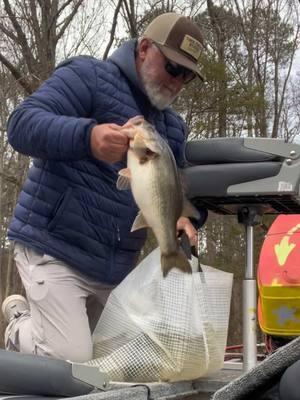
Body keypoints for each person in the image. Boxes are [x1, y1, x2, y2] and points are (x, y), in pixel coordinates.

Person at [2, 12, 206, 362]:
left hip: (115, 270)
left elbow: (181, 194)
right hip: (55, 248)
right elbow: (21, 125)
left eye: (187, 76)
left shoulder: (173, 129)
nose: (177, 82)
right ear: (144, 48)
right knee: (73, 362)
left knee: (129, 364)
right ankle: (19, 327)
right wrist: (88, 137)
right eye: (173, 68)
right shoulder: (89, 76)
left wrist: (188, 218)